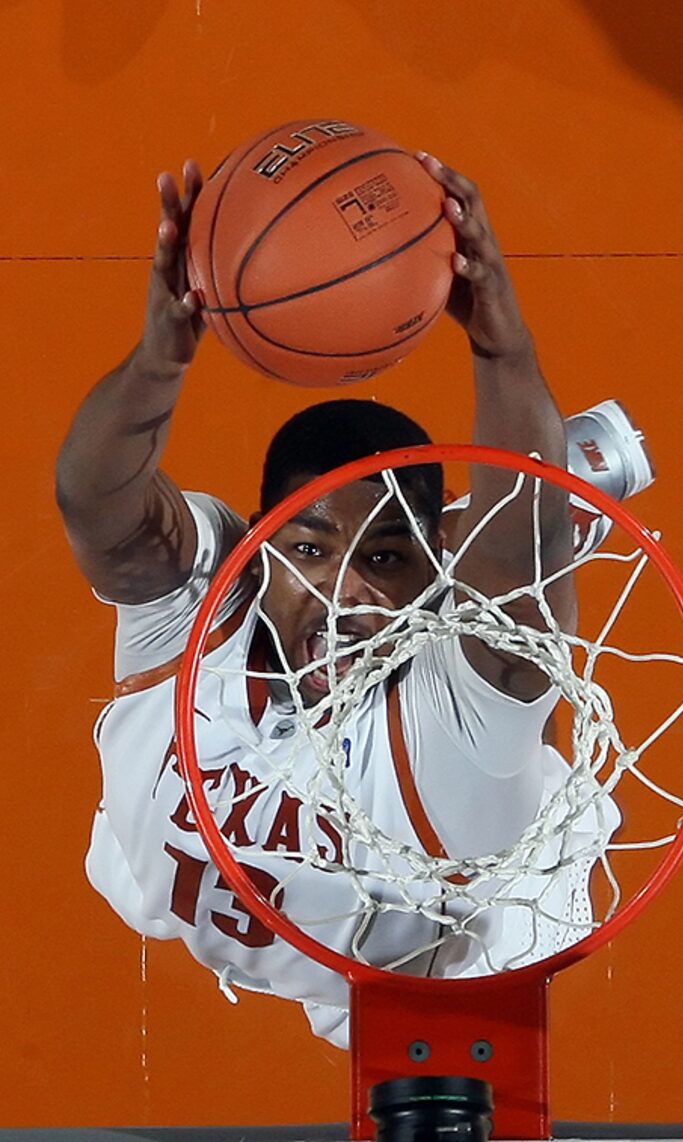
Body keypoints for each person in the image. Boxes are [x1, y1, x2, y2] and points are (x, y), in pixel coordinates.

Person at [56, 154, 633, 1048]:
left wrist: (500, 346)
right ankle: (566, 493)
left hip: (434, 952)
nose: (346, 589)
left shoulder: (449, 722)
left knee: (522, 624)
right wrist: (155, 364)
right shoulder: (208, 610)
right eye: (311, 549)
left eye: (388, 558)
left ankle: (547, 513)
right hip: (184, 889)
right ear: (259, 545)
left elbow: (514, 568)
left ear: (433, 578)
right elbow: (95, 503)